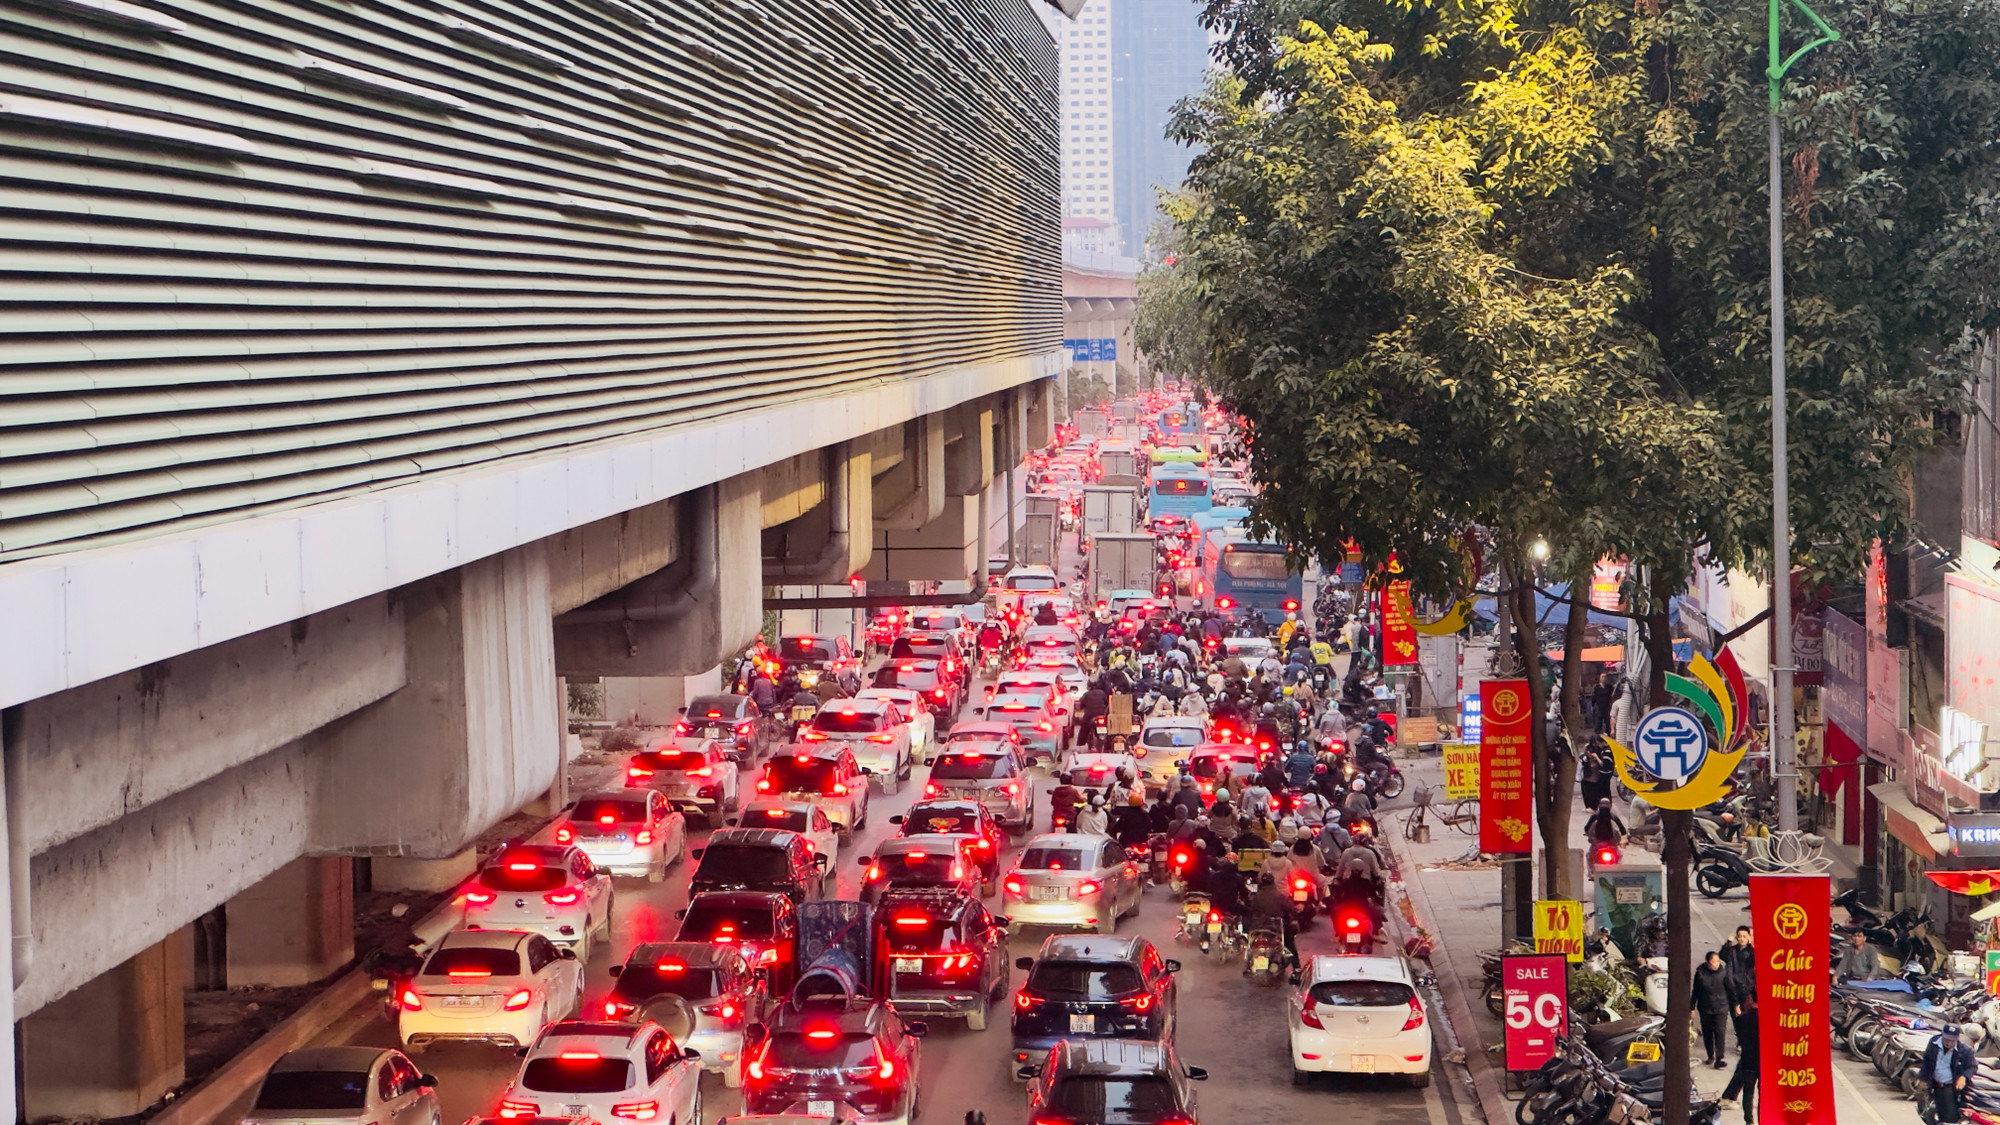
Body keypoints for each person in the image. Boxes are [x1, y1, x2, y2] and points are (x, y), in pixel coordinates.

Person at [1922, 1024, 1978, 1124]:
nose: (1948, 1043)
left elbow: (1972, 1067)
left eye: (1952, 1040)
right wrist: (1923, 1078)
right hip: (1934, 1084)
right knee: (1930, 1112)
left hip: (1950, 1088)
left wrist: (1964, 1077)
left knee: (1949, 1117)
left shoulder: (1965, 1050)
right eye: (1946, 1039)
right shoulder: (1934, 1043)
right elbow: (1927, 1061)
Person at [1720, 990, 1759, 1121]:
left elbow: (1740, 1037)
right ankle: (1762, 1118)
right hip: (1762, 1060)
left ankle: (1749, 1120)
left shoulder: (1741, 1019)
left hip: (1747, 1059)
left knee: (1748, 1092)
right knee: (1763, 1093)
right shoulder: (1768, 1019)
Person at [1693, 951, 1733, 1067]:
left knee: (1720, 1032)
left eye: (1717, 961)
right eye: (1713, 962)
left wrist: (1735, 1005)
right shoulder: (1700, 973)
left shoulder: (1723, 972)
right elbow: (1695, 991)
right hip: (1705, 1007)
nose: (1716, 964)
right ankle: (1710, 1055)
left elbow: (1730, 990)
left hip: (1721, 1007)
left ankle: (1719, 1058)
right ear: (1707, 962)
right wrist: (1692, 1007)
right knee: (1707, 1032)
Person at [1720, 926, 1756, 1013]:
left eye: (1744, 936)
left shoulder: (1751, 951)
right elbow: (1722, 955)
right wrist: (1728, 942)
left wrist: (1753, 949)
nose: (1742, 939)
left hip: (1748, 990)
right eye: (1740, 936)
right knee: (1736, 1016)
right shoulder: (1732, 951)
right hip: (1734, 988)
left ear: (1748, 938)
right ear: (1737, 938)